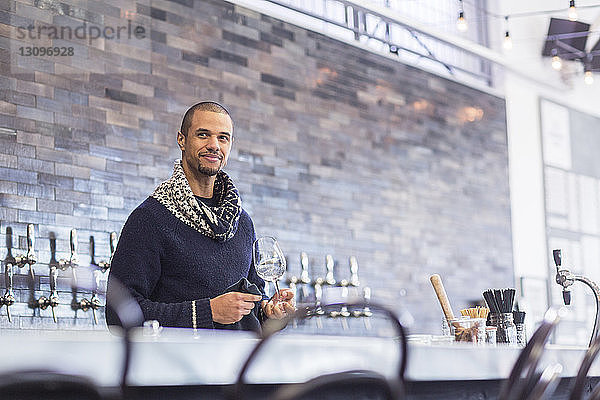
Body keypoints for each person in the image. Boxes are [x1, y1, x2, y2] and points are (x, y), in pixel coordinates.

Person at [106, 101, 295, 331]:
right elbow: (118, 314)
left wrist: (268, 311)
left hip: (238, 364)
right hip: (177, 364)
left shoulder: (241, 222)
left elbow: (251, 304)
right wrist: (208, 312)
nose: (214, 145)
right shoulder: (150, 219)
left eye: (223, 138)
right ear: (182, 140)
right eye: (203, 135)